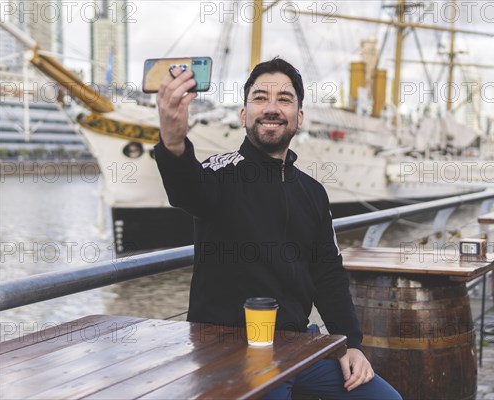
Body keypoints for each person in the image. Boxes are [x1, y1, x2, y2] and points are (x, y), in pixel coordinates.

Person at [155, 57, 401, 399]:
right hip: (227, 351)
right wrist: (173, 142)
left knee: (385, 398)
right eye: (259, 98)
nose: (272, 107)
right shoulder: (219, 174)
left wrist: (351, 344)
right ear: (244, 115)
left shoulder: (312, 192)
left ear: (299, 118)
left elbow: (327, 273)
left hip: (297, 348)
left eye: (284, 99)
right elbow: (187, 191)